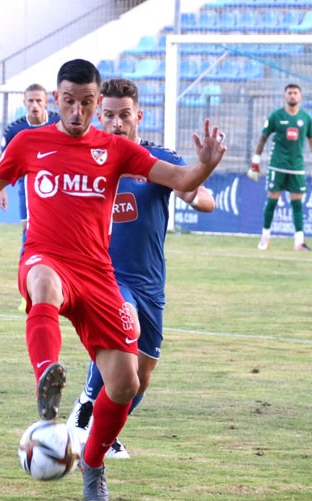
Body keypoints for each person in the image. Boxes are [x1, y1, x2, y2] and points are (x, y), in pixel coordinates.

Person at [0, 58, 227, 501]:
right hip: (46, 258)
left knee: (126, 384)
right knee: (43, 283)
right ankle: (46, 376)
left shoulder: (117, 150)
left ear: (95, 102)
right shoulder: (30, 142)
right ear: (55, 99)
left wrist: (204, 165)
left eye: (87, 103)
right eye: (69, 102)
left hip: (98, 275)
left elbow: (182, 179)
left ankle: (93, 459)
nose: (77, 112)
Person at [66, 78, 215, 460]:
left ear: (139, 116)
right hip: (104, 276)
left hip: (150, 281)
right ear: (99, 113)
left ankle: (103, 434)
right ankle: (84, 407)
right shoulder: (86, 157)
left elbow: (191, 191)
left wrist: (201, 188)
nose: (117, 124)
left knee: (140, 379)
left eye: (124, 116)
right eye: (110, 116)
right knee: (124, 324)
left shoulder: (156, 160)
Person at [247, 83, 312, 251]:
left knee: (297, 204)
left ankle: (299, 242)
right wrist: (255, 161)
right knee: (272, 201)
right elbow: (263, 138)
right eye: (289, 93)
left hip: (297, 167)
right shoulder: (276, 116)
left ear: (300, 96)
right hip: (277, 165)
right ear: (285, 96)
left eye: (295, 93)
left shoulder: (305, 118)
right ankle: (265, 238)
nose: (292, 96)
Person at [0, 84, 61, 239]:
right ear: (24, 102)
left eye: (38, 100)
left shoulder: (58, 121)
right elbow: (1, 158)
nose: (34, 105)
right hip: (27, 184)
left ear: (46, 101)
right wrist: (1, 190)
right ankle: (26, 261)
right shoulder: (14, 129)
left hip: (58, 182)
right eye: (30, 101)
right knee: (28, 228)